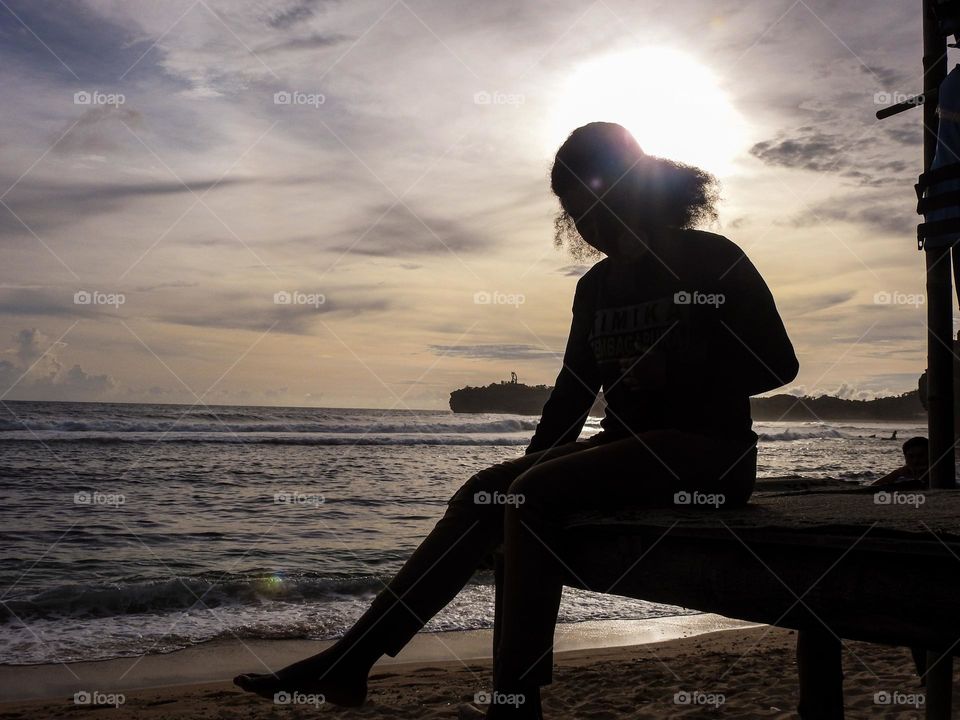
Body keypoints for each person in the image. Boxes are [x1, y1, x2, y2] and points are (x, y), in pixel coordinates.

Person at [234, 122, 800, 718]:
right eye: (578, 214)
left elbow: (778, 365)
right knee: (485, 490)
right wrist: (526, 464)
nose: (591, 226)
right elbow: (572, 393)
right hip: (628, 452)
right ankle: (349, 663)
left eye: (599, 206)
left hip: (710, 457)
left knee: (528, 498)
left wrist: (682, 368)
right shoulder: (596, 287)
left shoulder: (710, 259)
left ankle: (515, 696)